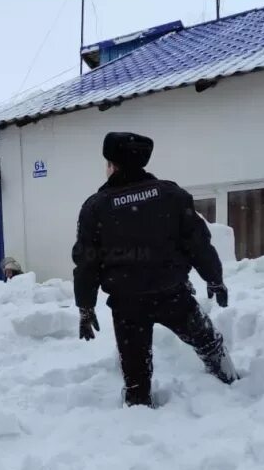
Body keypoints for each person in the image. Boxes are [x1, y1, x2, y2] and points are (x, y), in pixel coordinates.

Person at [72, 132, 240, 407]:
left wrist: (86, 307)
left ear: (112, 165)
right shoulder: (171, 195)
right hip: (173, 295)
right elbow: (198, 243)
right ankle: (232, 385)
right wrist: (214, 279)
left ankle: (139, 419)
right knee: (208, 343)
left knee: (136, 376)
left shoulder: (96, 208)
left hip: (128, 308)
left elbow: (87, 262)